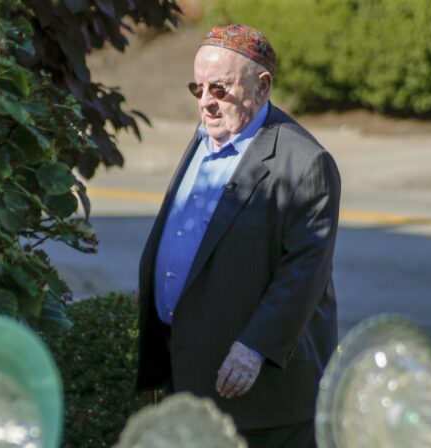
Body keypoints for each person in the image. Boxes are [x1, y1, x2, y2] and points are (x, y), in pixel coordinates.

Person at [136, 24, 341, 448]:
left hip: (261, 397)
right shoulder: (207, 136)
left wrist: (253, 348)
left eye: (221, 88)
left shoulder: (306, 163)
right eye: (198, 87)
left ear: (262, 86)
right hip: (191, 375)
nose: (206, 101)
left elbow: (304, 274)